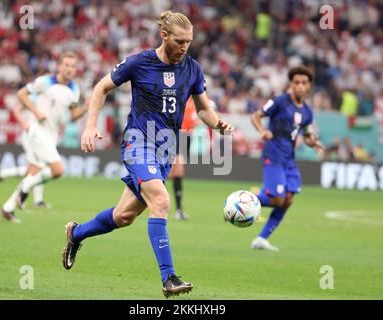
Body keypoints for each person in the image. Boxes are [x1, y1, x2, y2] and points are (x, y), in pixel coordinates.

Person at [61, 11, 233, 298]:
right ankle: (169, 278)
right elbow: (101, 87)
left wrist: (218, 124)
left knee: (123, 216)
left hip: (166, 150)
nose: (184, 47)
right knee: (162, 201)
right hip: (138, 143)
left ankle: (75, 233)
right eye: (180, 41)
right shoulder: (139, 62)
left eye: (189, 42)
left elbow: (203, 108)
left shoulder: (193, 68)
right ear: (164, 36)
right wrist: (89, 126)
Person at [0, 52, 88, 223]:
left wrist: (86, 106)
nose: (69, 69)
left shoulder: (74, 90)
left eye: (73, 66)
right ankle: (24, 189)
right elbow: (21, 94)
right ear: (59, 66)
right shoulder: (45, 81)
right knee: (58, 170)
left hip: (51, 134)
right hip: (36, 131)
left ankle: (7, 208)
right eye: (66, 65)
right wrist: (35, 112)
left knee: (33, 172)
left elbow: (74, 116)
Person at [250, 66, 325, 251]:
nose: (299, 86)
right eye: (296, 82)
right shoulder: (279, 101)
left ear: (309, 86)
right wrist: (263, 131)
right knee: (277, 200)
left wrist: (313, 143)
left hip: (289, 159)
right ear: (291, 84)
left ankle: (261, 239)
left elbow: (306, 135)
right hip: (273, 154)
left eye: (303, 83)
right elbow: (256, 116)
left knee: (288, 200)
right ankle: (244, 200)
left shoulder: (307, 111)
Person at [0, 100, 51, 209]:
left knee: (35, 169)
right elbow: (18, 108)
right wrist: (25, 123)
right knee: (38, 168)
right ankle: (34, 199)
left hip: (39, 137)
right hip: (32, 137)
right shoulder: (36, 93)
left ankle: (2, 174)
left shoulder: (46, 96)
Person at [168, 98, 200, 220]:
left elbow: (197, 118)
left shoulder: (194, 99)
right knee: (177, 172)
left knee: (175, 174)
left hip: (186, 136)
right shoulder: (178, 96)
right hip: (175, 134)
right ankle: (178, 209)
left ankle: (178, 209)